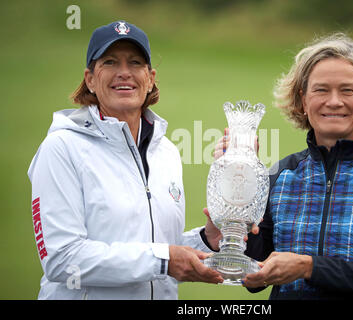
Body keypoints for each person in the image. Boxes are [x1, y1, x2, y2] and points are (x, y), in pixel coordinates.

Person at [210, 33, 353, 299]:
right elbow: (253, 277)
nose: (334, 101)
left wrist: (309, 267)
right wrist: (240, 181)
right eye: (321, 90)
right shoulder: (280, 175)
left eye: (347, 90)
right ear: (303, 101)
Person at [27, 20, 223, 300]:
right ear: (90, 79)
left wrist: (206, 238)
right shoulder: (61, 148)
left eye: (135, 63)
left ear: (150, 78)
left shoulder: (165, 151)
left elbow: (158, 247)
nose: (124, 73)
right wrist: (163, 260)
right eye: (110, 62)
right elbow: (62, 259)